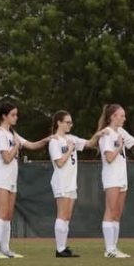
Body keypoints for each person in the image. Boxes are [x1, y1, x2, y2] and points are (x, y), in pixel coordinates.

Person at [0, 102, 51, 259]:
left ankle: (5, 248)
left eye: (16, 114)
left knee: (8, 214)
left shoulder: (12, 134)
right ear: (4, 116)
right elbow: (7, 158)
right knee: (2, 212)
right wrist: (16, 146)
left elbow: (32, 145)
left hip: (11, 178)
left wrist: (49, 139)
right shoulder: (1, 134)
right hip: (1, 176)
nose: (16, 117)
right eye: (13, 115)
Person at [96, 103, 134, 259]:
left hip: (121, 176)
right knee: (110, 210)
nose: (124, 118)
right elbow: (109, 157)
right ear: (113, 116)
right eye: (122, 115)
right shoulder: (106, 133)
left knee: (118, 213)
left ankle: (114, 247)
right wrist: (120, 147)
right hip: (111, 176)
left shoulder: (120, 131)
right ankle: (109, 250)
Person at [48, 110, 88, 257]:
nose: (70, 125)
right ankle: (59, 249)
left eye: (71, 122)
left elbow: (89, 143)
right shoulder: (54, 141)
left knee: (67, 216)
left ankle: (63, 247)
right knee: (62, 215)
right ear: (59, 122)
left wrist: (100, 132)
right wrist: (70, 149)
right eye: (67, 122)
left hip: (71, 182)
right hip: (61, 181)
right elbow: (59, 162)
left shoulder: (71, 138)